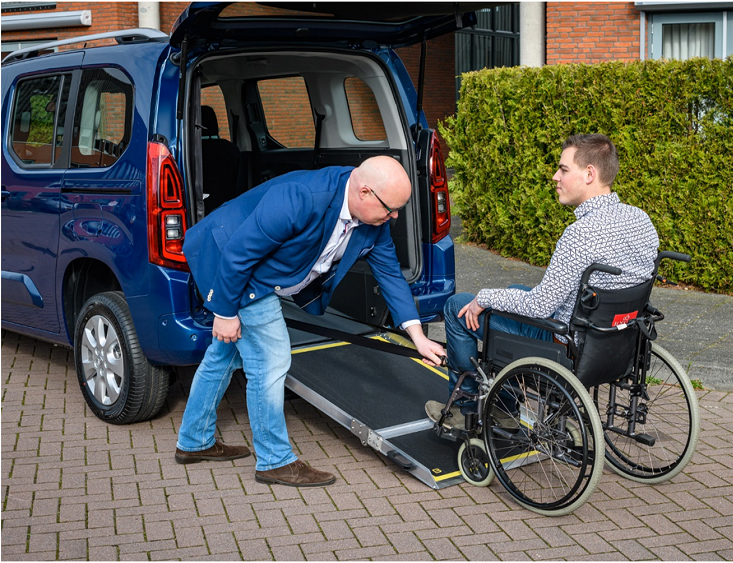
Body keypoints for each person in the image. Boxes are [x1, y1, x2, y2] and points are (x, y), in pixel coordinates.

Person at [176, 156, 446, 487]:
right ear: (364, 192)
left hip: (258, 269)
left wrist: (417, 336)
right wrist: (226, 312)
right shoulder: (302, 197)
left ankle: (193, 442)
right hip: (230, 260)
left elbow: (390, 276)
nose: (394, 216)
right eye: (390, 208)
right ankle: (275, 461)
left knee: (224, 355)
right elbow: (239, 253)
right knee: (272, 360)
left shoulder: (373, 225)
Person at [425, 134, 659, 429]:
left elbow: (540, 305)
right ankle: (504, 405)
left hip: (566, 343)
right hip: (614, 340)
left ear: (589, 174)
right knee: (512, 293)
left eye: (563, 169)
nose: (554, 177)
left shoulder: (581, 234)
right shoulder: (641, 220)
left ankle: (466, 408)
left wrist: (483, 297)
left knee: (458, 307)